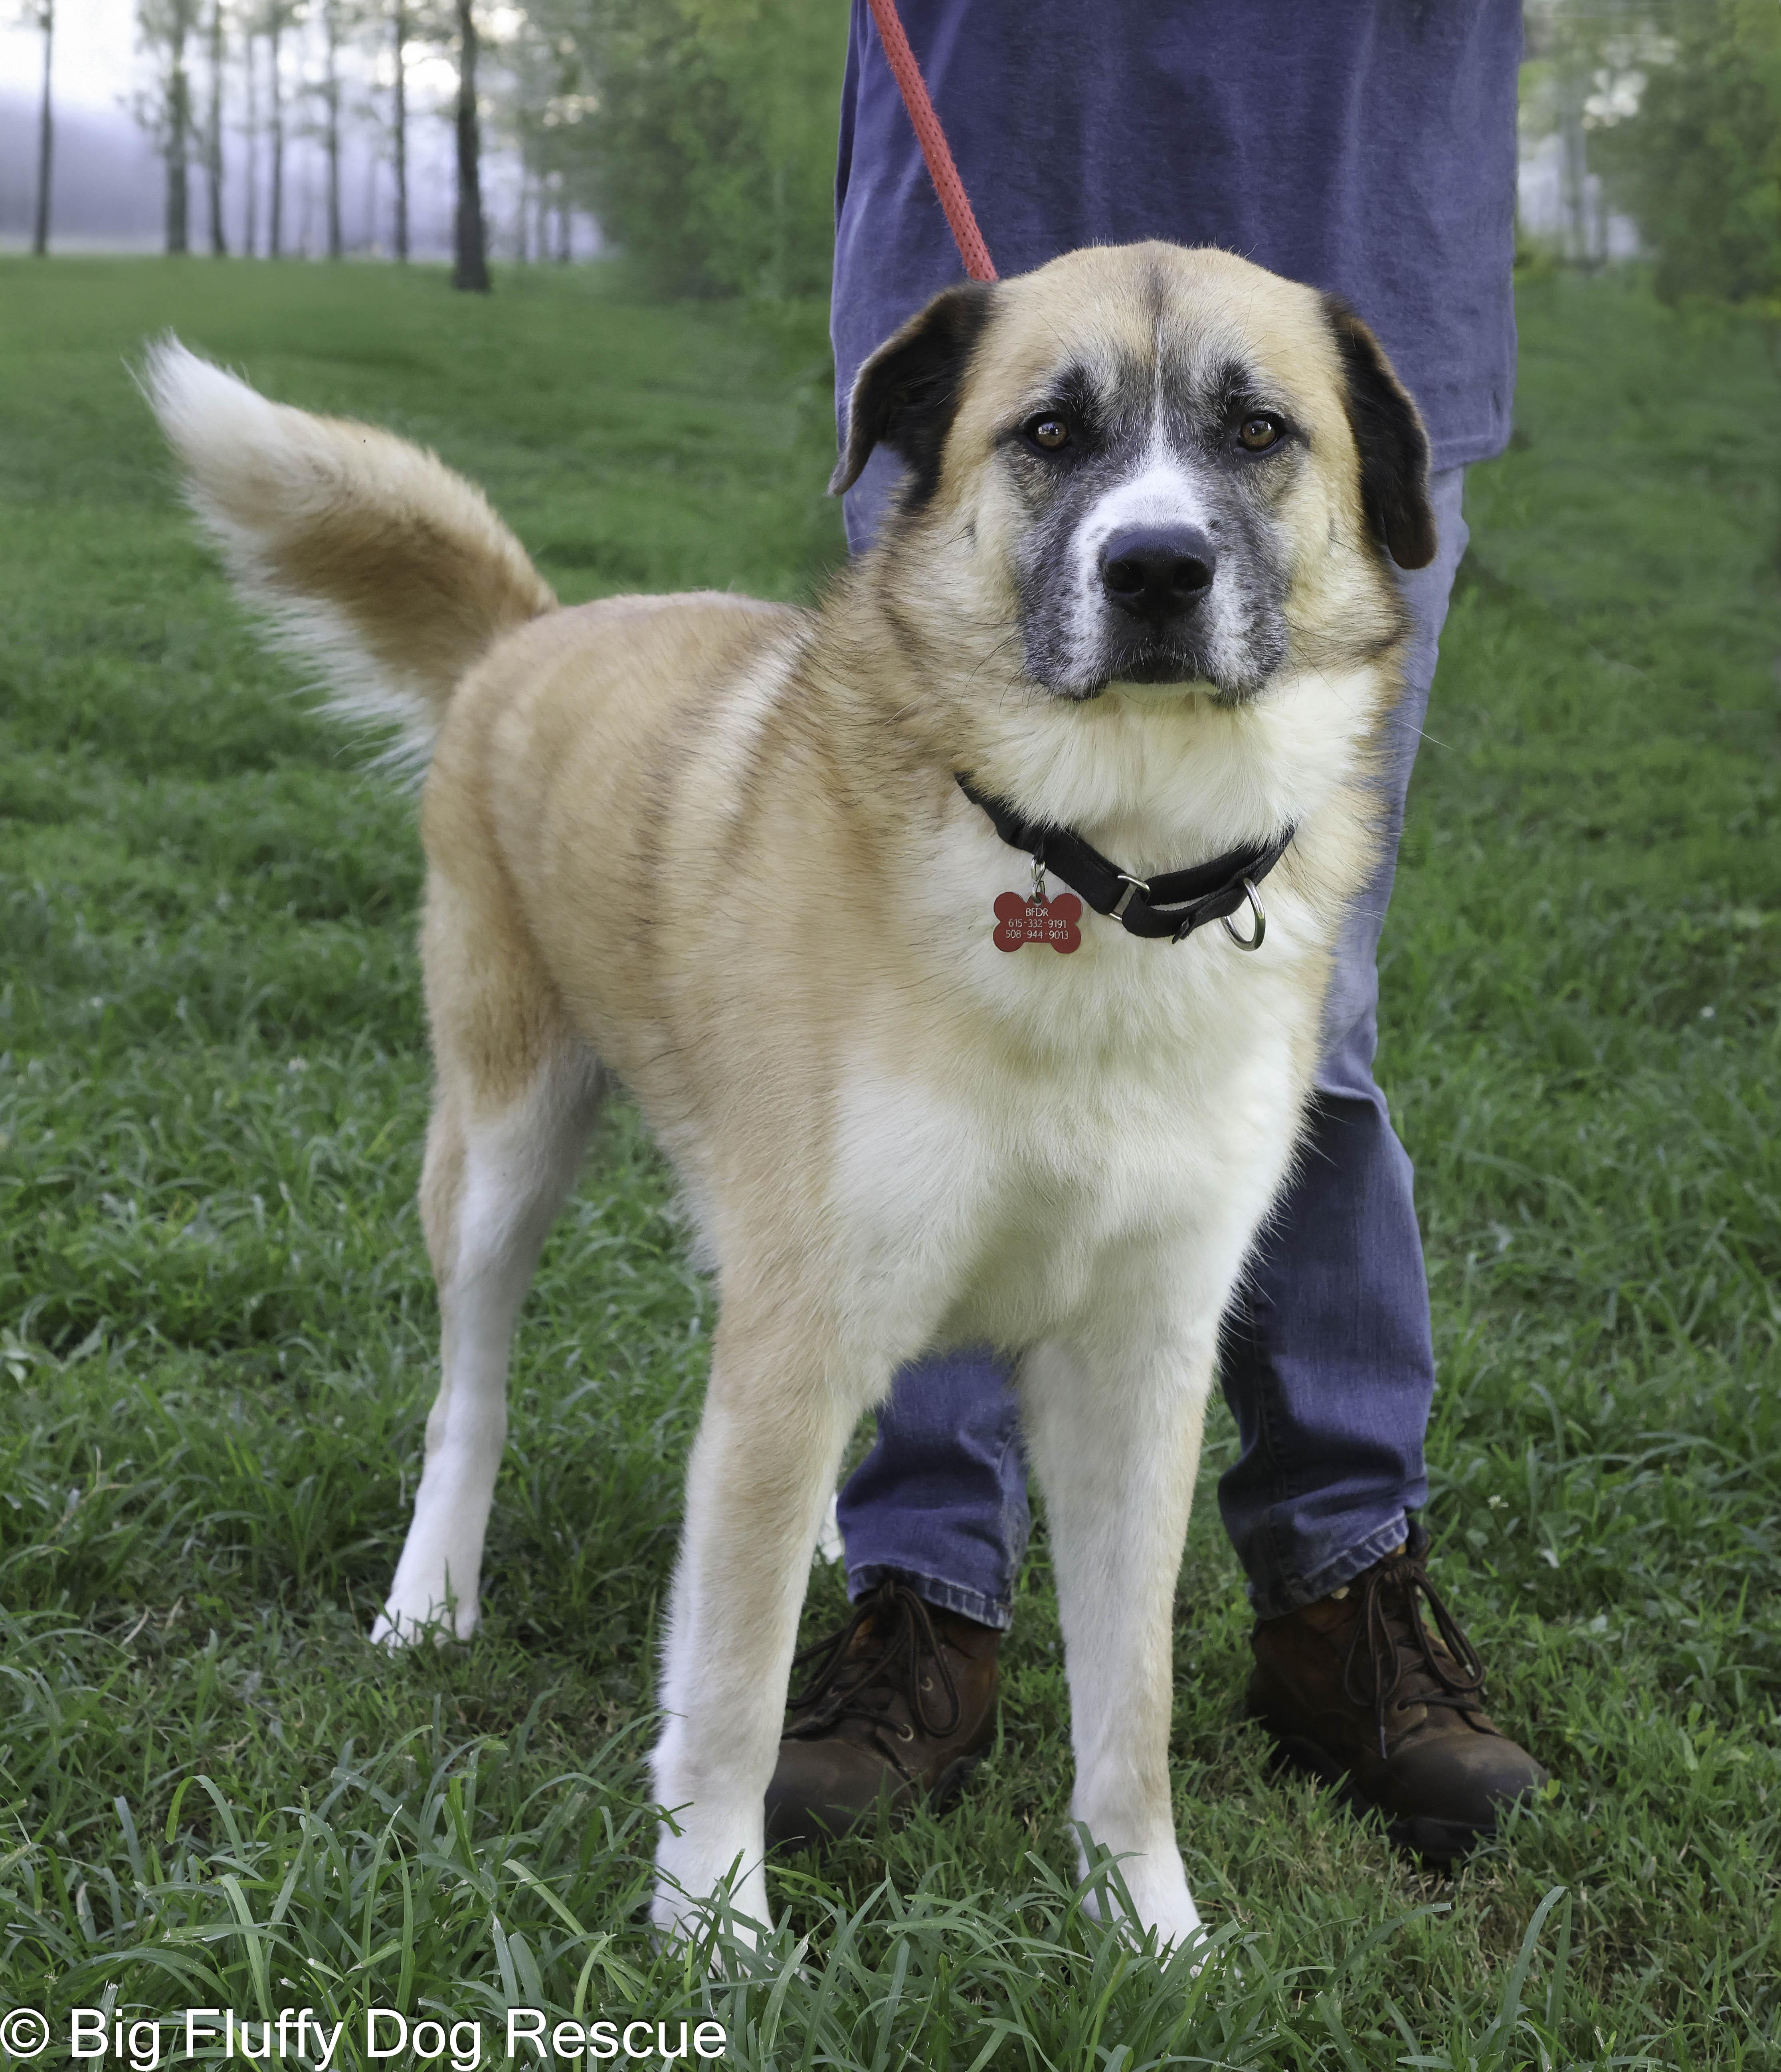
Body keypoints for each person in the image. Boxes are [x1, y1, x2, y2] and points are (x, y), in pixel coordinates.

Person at [763, 0, 1547, 1867]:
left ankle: (1339, 1577)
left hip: (1354, 223)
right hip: (990, 230)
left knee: (1295, 1012)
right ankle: (926, 1588)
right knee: (939, 1011)